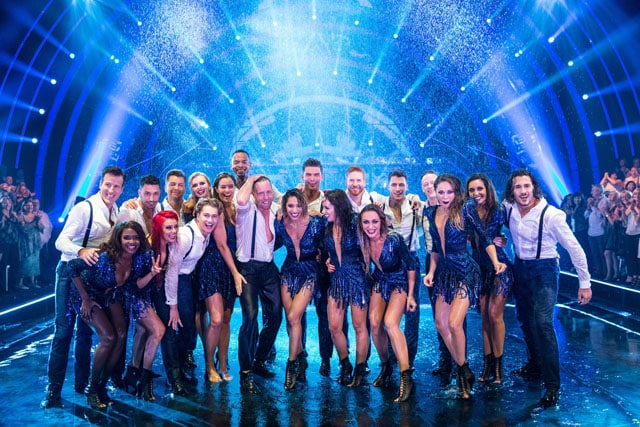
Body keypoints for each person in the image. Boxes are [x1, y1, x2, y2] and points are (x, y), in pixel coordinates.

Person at [504, 169, 592, 409]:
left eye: (526, 186)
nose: (523, 191)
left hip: (544, 270)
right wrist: (498, 239)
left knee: (543, 323)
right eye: (518, 187)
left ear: (534, 187)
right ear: (512, 190)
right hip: (520, 268)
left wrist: (585, 282)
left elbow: (574, 247)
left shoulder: (552, 215)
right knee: (524, 319)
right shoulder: (509, 208)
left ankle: (552, 385)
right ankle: (534, 365)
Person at [41, 166, 125, 409]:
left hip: (91, 278)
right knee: (63, 331)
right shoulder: (84, 208)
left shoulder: (116, 210)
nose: (111, 190)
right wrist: (81, 250)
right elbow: (60, 241)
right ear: (101, 184)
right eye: (108, 184)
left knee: (86, 332)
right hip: (69, 273)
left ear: (121, 189)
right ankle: (53, 391)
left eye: (116, 186)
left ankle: (82, 385)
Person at [423, 174, 505, 399]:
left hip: (466, 272)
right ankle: (463, 367)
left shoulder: (465, 210)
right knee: (441, 324)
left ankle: (461, 373)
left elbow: (485, 238)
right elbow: (435, 248)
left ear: (456, 193)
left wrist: (496, 262)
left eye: (449, 192)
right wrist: (431, 272)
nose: (445, 196)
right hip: (444, 275)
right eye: (441, 192)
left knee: (453, 323)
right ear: (435, 192)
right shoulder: (430, 212)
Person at [69, 221, 161, 408]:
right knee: (109, 337)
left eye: (136, 238)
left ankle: (102, 386)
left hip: (110, 294)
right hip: (87, 295)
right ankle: (92, 389)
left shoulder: (138, 259)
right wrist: (85, 298)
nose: (132, 242)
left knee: (121, 334)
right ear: (119, 239)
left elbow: (134, 285)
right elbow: (71, 267)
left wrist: (152, 273)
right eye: (127, 238)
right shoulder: (104, 257)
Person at [357, 204, 417, 401]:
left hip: (399, 280)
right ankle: (386, 366)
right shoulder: (362, 240)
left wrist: (410, 296)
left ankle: (406, 376)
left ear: (382, 221)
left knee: (390, 323)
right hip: (380, 280)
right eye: (366, 222)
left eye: (374, 221)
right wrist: (328, 261)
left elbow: (411, 265)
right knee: (374, 324)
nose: (370, 226)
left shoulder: (394, 239)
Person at [162, 198, 218, 395]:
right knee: (174, 327)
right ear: (197, 215)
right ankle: (173, 378)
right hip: (171, 280)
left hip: (185, 279)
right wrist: (173, 305)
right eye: (206, 215)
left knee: (188, 328)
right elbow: (171, 271)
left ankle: (181, 369)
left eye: (214, 216)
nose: (210, 220)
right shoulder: (186, 236)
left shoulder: (205, 234)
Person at [235, 174, 283, 393]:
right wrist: (253, 178)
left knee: (276, 316)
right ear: (254, 194)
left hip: (268, 269)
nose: (265, 197)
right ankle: (245, 372)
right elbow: (241, 199)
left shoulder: (275, 210)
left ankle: (259, 360)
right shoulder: (246, 211)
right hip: (248, 269)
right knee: (250, 317)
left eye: (268, 192)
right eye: (260, 193)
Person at [465, 173, 514, 384]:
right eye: (472, 190)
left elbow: (516, 230)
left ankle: (499, 367)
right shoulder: (467, 211)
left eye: (480, 189)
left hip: (500, 266)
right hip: (479, 268)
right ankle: (488, 365)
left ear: (488, 189)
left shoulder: (498, 210)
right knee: (485, 316)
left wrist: (504, 238)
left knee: (495, 314)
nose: (476, 193)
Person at [370, 169, 421, 370]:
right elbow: (361, 196)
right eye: (394, 184)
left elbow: (435, 205)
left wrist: (415, 197)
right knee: (385, 319)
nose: (398, 188)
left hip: (410, 262)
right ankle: (390, 359)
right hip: (387, 265)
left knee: (411, 314)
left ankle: (409, 361)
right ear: (388, 185)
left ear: (407, 186)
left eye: (401, 185)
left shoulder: (415, 205)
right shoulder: (379, 202)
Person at [276, 188, 325, 390]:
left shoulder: (316, 223)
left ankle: (291, 364)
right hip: (288, 270)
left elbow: (329, 241)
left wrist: (325, 259)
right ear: (284, 207)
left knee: (293, 317)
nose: (294, 210)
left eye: (298, 205)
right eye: (290, 206)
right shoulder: (280, 223)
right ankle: (301, 356)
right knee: (290, 319)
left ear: (304, 205)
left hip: (309, 271)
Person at [196, 193, 246, 385]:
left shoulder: (232, 209)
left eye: (230, 186)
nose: (227, 190)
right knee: (216, 320)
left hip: (230, 265)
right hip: (212, 266)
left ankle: (223, 364)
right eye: (223, 186)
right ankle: (209, 365)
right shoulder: (214, 210)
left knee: (225, 319)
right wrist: (235, 273)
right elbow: (221, 245)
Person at [324, 189, 370, 387]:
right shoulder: (326, 227)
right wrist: (327, 261)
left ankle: (360, 368)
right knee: (334, 327)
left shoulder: (356, 224)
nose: (324, 211)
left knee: (359, 326)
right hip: (337, 280)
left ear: (338, 207)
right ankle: (345, 364)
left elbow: (371, 242)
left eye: (327, 208)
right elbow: (326, 251)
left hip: (356, 278)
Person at [420, 170, 455, 382]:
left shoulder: (454, 207)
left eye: (432, 182)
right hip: (432, 260)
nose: (429, 186)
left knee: (455, 314)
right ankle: (445, 358)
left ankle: (459, 359)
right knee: (438, 314)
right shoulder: (420, 209)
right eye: (425, 184)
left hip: (453, 261)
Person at [585, 184, 607, 279]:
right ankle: (598, 271)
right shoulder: (593, 202)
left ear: (599, 191)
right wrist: (588, 206)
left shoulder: (604, 200)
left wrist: (593, 206)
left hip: (600, 231)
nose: (591, 192)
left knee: (602, 253)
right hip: (591, 232)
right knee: (595, 253)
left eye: (593, 190)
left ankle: (605, 272)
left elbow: (601, 215)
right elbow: (585, 215)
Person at [0, 195, 21, 292]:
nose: (7, 204)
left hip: (14, 242)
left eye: (8, 202)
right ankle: (3, 288)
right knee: (3, 265)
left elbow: (19, 226)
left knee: (15, 263)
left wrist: (18, 219)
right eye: (4, 202)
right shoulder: (1, 214)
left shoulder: (13, 214)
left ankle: (13, 285)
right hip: (3, 242)